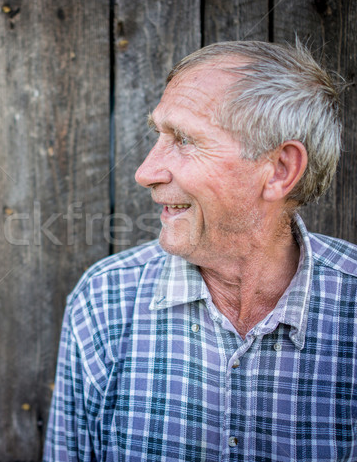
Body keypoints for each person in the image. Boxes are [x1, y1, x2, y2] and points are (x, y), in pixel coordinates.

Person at [43, 41, 357, 461]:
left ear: (280, 170)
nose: (144, 173)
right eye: (159, 135)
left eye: (185, 139)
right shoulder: (104, 301)